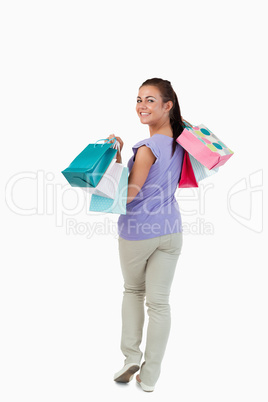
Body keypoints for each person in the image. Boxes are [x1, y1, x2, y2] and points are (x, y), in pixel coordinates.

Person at [108, 78, 191, 392]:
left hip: (139, 231)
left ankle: (131, 357)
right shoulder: (180, 142)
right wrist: (120, 155)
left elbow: (127, 195)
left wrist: (110, 159)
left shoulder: (147, 148)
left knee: (133, 292)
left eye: (150, 100)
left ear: (167, 106)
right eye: (139, 99)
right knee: (160, 304)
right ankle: (150, 377)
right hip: (171, 232)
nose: (142, 106)